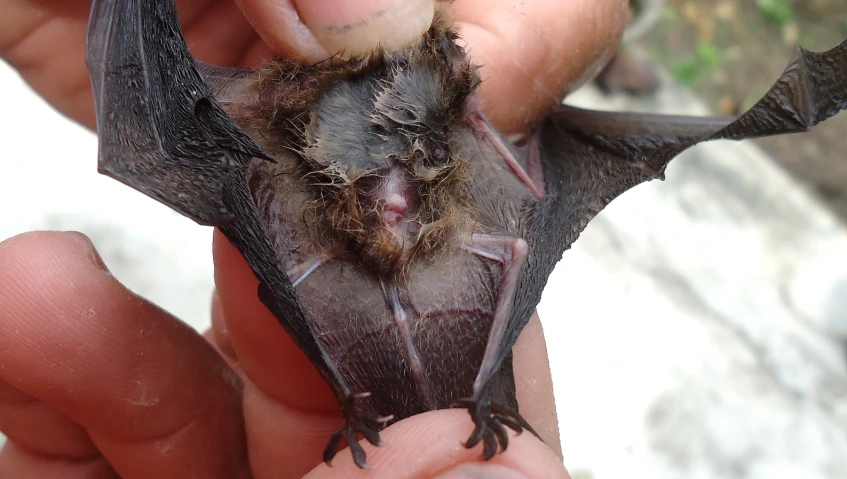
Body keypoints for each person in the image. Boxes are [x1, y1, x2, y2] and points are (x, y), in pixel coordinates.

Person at [0, 0, 627, 477]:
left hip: (339, 119)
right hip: (393, 102)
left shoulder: (376, 230)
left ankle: (454, 398)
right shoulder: (398, 196)